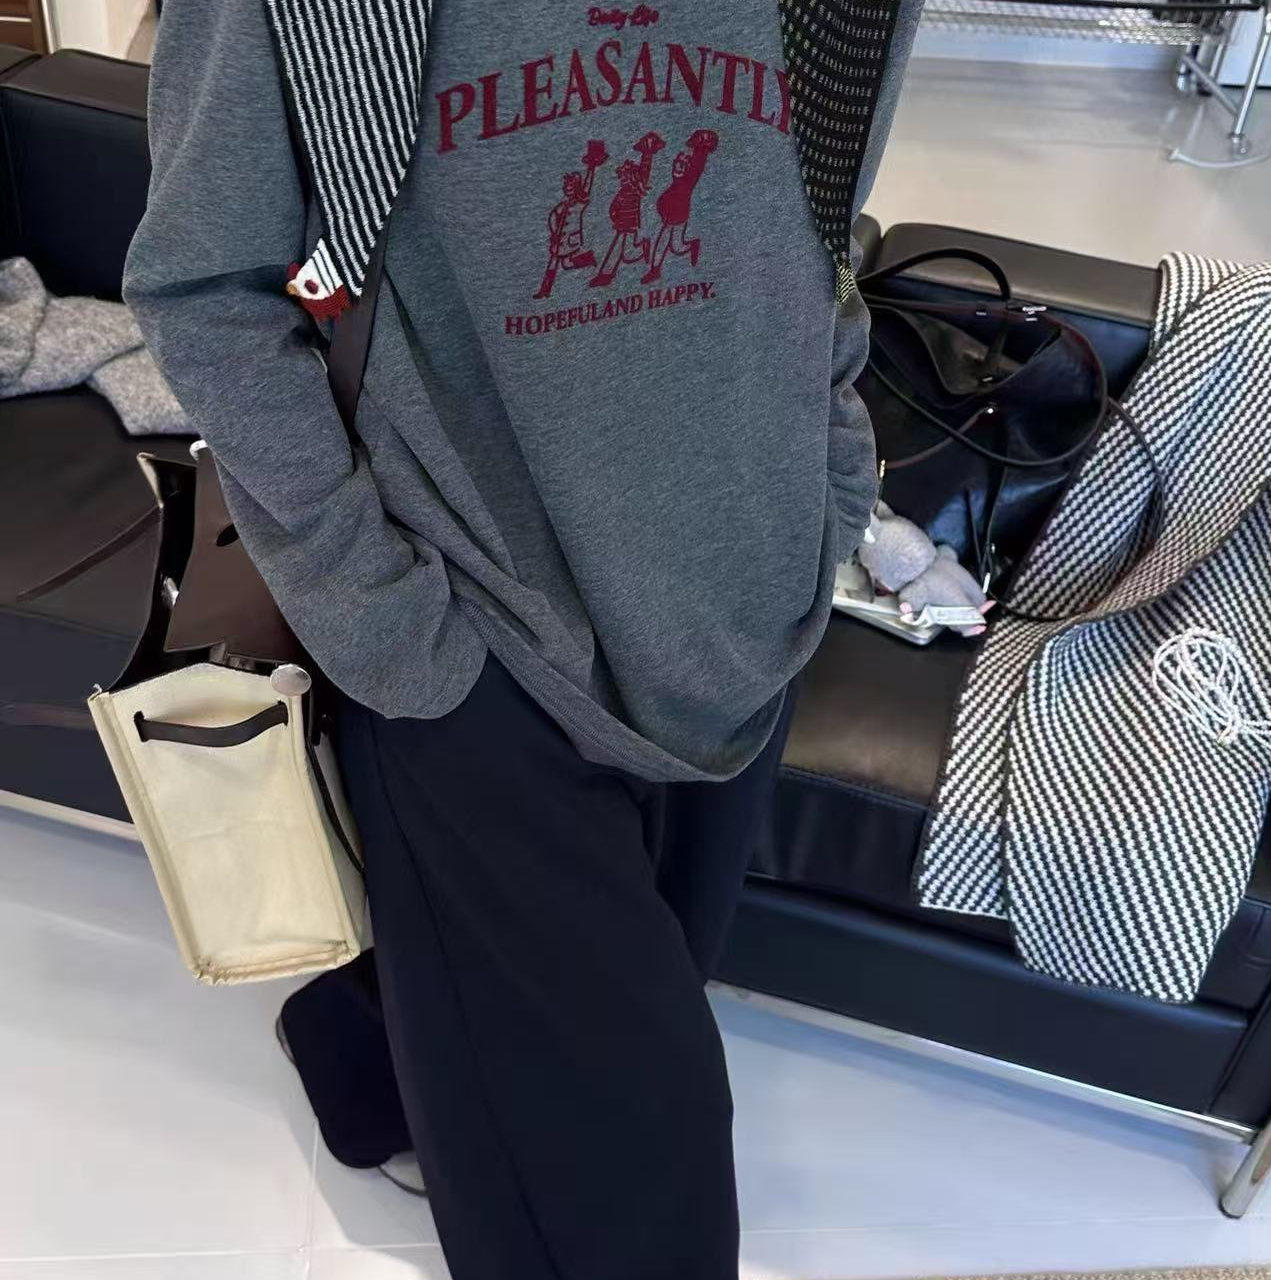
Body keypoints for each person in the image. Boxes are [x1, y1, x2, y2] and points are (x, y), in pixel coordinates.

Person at [124, 2, 921, 1277]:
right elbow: (205, 286)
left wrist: (821, 491)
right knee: (639, 1180)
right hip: (479, 632)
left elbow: (816, 222)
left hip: (742, 616)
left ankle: (370, 1071)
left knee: (616, 986)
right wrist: (384, 616)